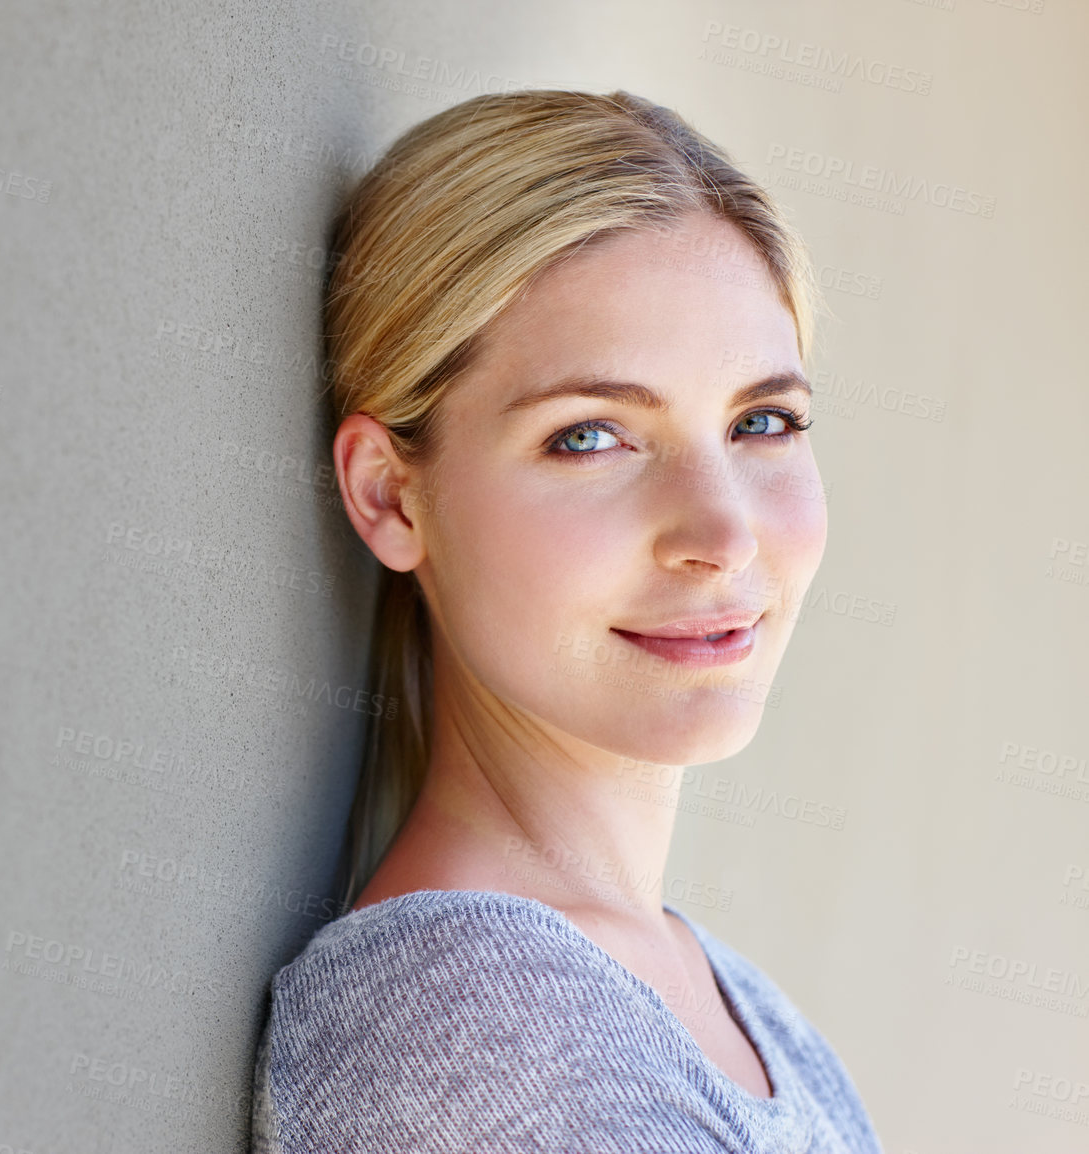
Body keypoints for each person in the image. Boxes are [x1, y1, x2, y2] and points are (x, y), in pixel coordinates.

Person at [250, 89, 883, 1153]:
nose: (721, 533)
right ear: (390, 496)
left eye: (761, 421)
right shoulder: (471, 1023)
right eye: (591, 437)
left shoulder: (748, 1014)